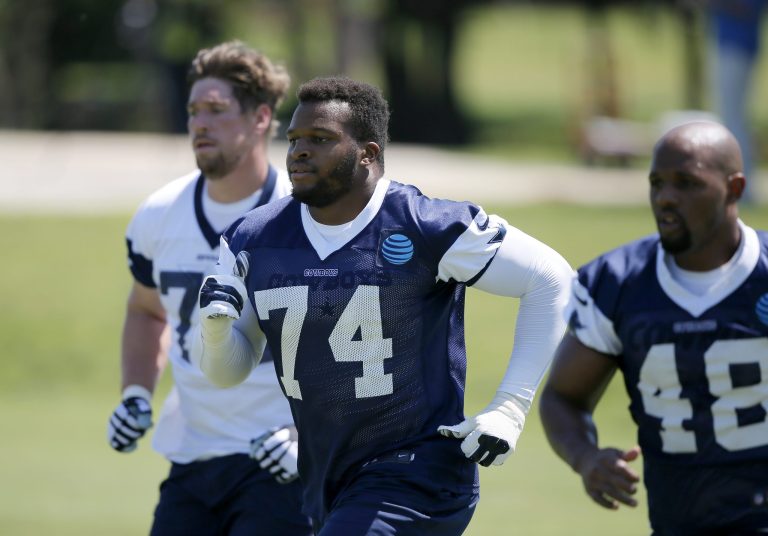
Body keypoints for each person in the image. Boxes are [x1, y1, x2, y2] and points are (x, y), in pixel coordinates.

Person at [192, 76, 573, 535]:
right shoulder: (254, 237)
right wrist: (215, 330)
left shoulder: (424, 224)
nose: (299, 152)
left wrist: (510, 408)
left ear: (367, 154)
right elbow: (227, 372)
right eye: (294, 140)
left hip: (419, 472)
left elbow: (551, 278)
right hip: (327, 476)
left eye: (320, 139)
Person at [105, 41, 312, 535]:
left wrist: (308, 438)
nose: (200, 123)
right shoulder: (159, 214)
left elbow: (350, 344)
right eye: (194, 110)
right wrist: (136, 391)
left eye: (216, 110)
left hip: (280, 459)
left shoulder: (309, 217)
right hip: (194, 456)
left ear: (261, 117)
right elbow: (147, 310)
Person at [539, 121, 768, 535]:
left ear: (733, 188)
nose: (665, 198)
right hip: (679, 523)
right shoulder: (618, 283)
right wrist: (586, 457)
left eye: (687, 183)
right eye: (656, 183)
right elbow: (562, 397)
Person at [705, 0, 767, 202]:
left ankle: (741, 187)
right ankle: (735, 185)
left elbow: (746, 8)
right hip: (727, 44)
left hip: (738, 45)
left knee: (734, 121)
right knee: (730, 118)